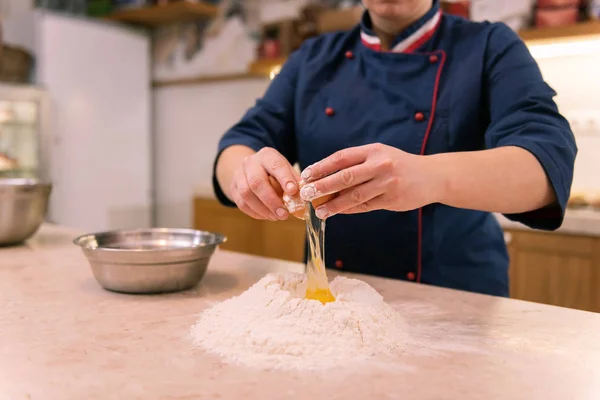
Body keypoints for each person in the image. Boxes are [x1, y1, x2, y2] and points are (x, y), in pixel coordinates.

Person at [212, 0, 577, 297]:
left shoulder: (489, 46)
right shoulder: (314, 58)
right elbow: (239, 145)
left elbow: (547, 164)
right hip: (332, 300)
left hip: (454, 301)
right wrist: (248, 172)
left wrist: (428, 175)